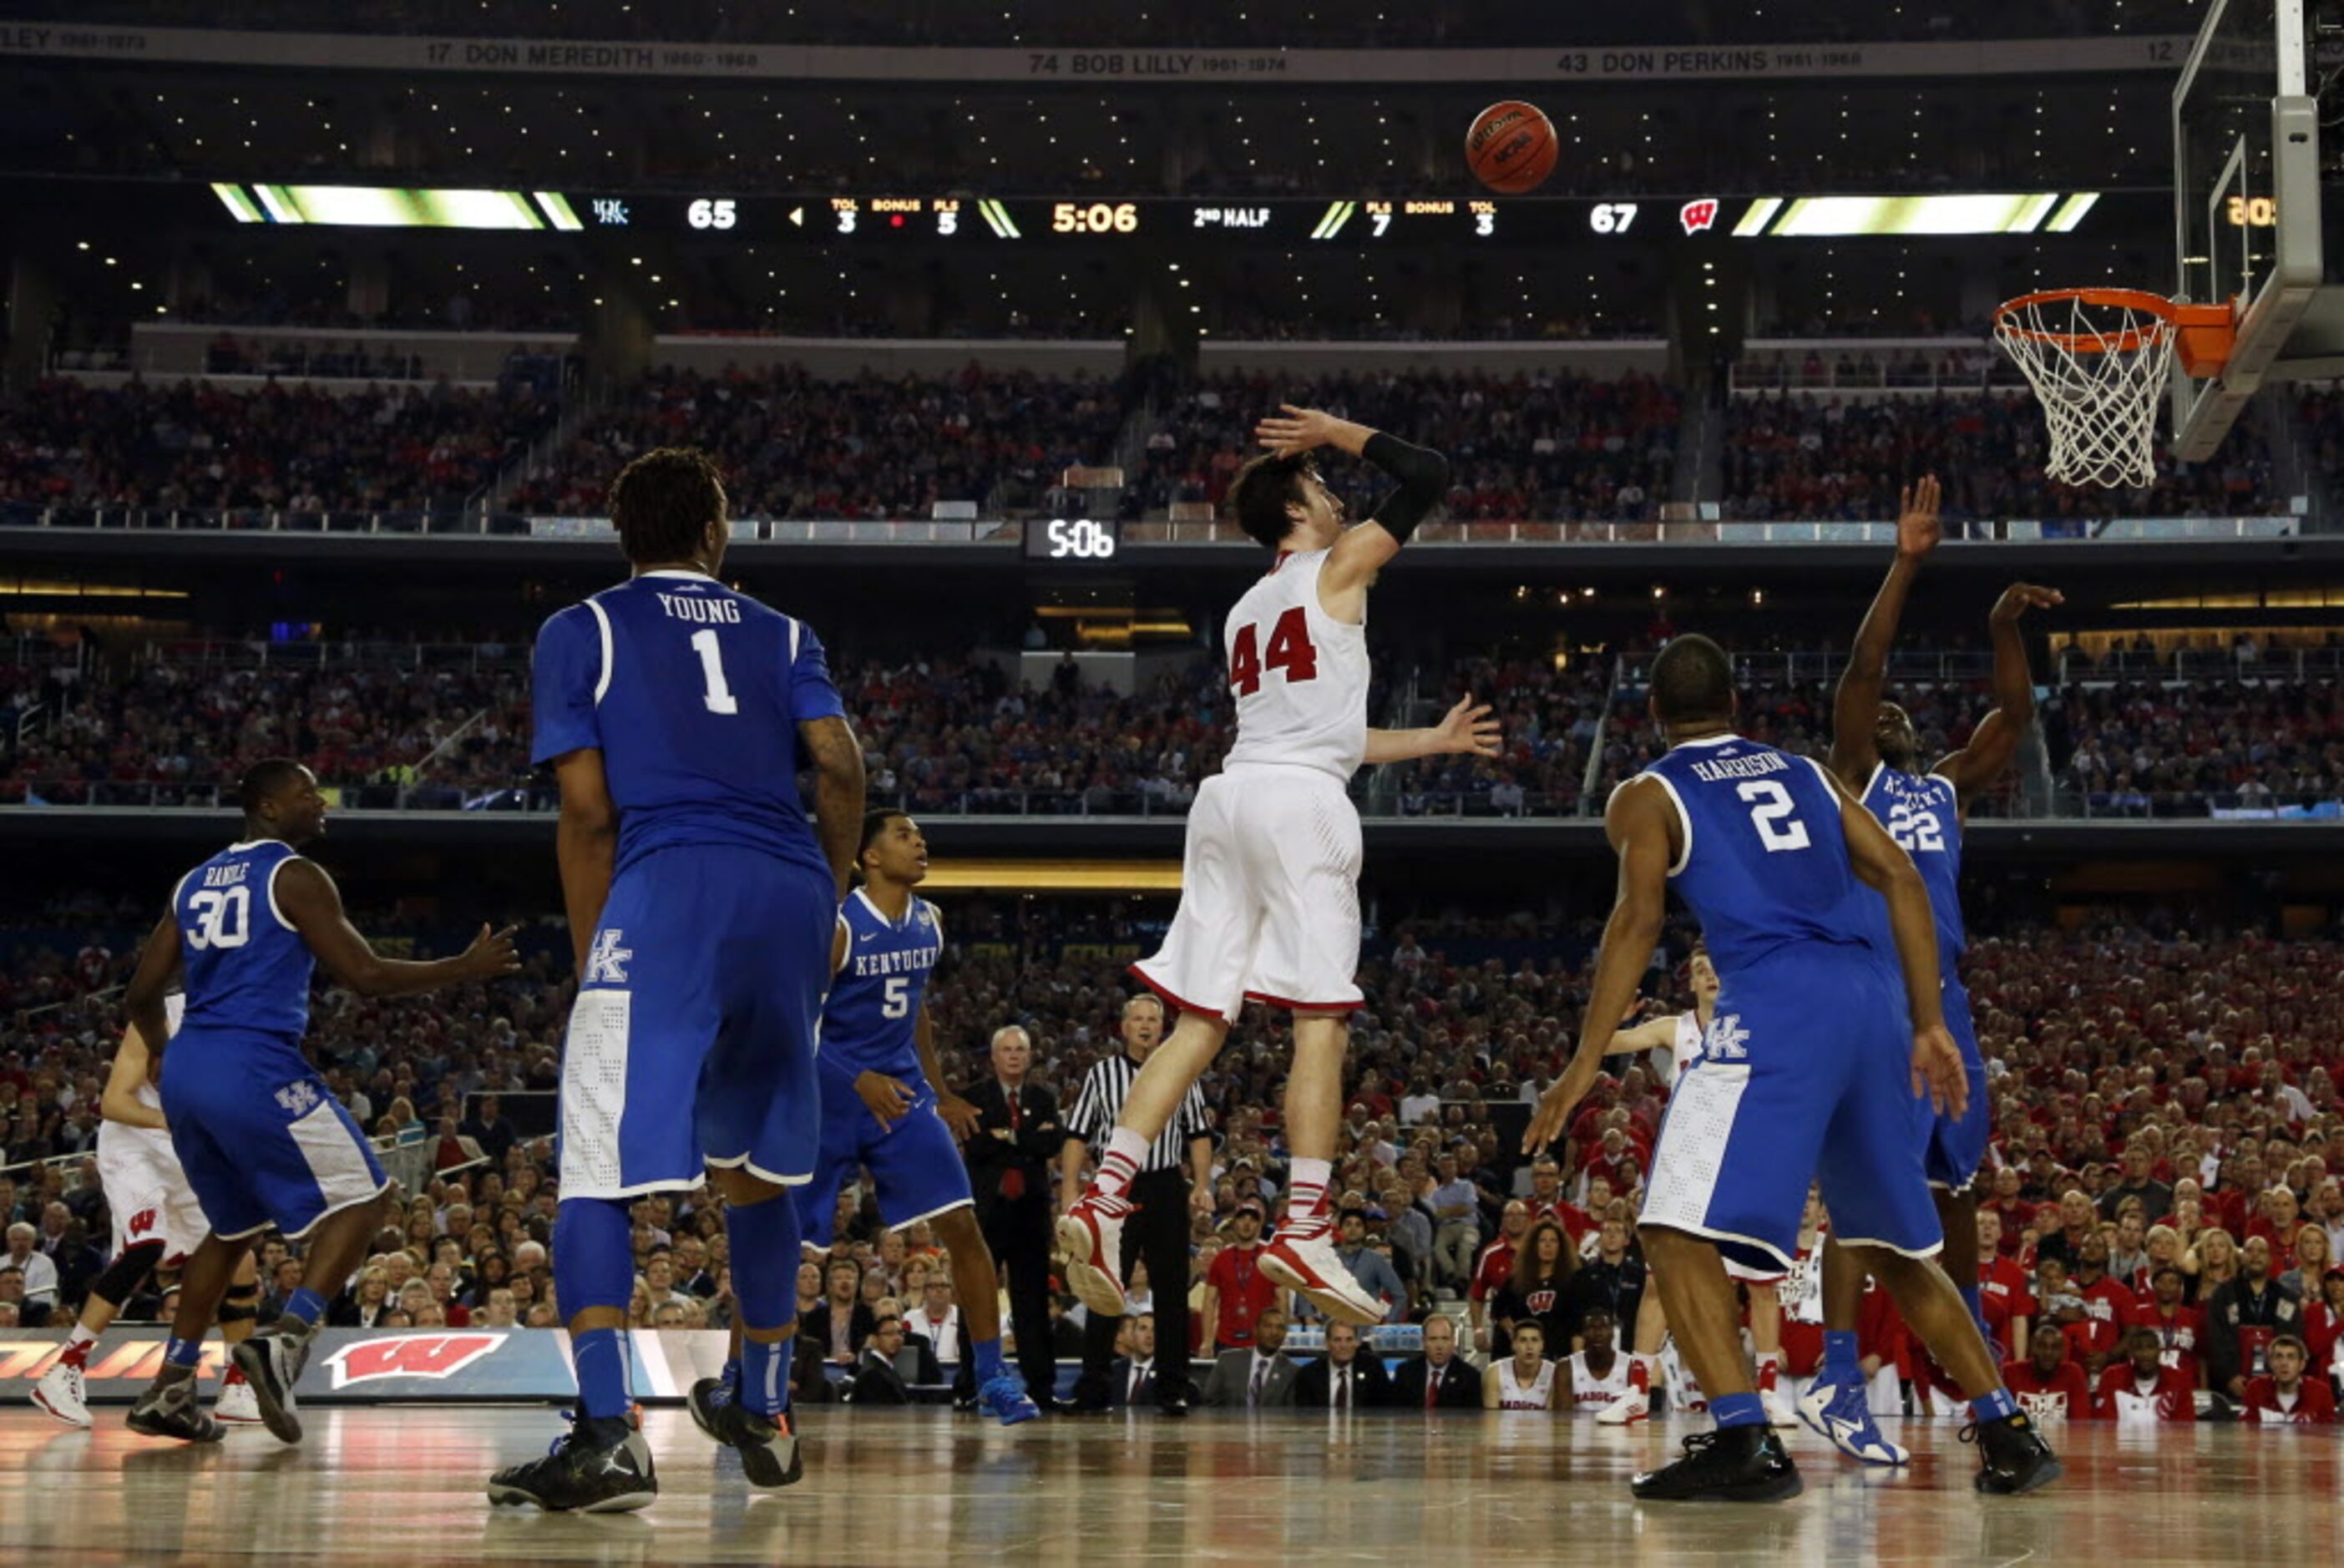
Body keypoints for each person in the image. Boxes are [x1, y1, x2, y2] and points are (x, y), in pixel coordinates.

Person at [1522, 633, 2058, 1502]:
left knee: (1666, 1222)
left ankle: (1743, 1441)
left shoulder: (1647, 793)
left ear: (1653, 715)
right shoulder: (1806, 772)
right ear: (1736, 704)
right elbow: (1902, 881)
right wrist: (1928, 1023)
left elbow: (1635, 921)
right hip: (1873, 1004)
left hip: (1775, 1006)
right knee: (1889, 1244)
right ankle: (2006, 1431)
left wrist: (1583, 1060)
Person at [1061, 405, 1495, 1331]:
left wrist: (1431, 739)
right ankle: (1303, 1224)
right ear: (1299, 507)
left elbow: (1321, 734)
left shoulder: (1244, 613)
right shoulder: (1335, 566)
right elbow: (1427, 470)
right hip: (1298, 810)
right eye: (1326, 491)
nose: (1339, 500)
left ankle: (1101, 1201)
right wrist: (1336, 432)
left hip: (1229, 800)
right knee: (1318, 1021)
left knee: (1200, 1021)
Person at [494, 447, 865, 1509]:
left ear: (625, 538)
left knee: (594, 1169)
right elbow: (838, 765)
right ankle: (763, 1403)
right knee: (755, 1168)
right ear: (716, 530)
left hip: (669, 888)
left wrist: (592, 956)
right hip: (788, 886)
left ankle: (608, 1434)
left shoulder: (583, 629)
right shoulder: (785, 631)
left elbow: (588, 812)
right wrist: (826, 902)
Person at [117, 759, 519, 1447]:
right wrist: (460, 969)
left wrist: (160, 1051)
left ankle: (170, 1388)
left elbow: (138, 995)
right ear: (268, 809)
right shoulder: (294, 876)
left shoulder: (191, 883)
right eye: (306, 792)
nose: (321, 799)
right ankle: (288, 1340)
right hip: (254, 1062)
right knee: (369, 1196)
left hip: (189, 1069)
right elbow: (363, 974)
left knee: (232, 1227)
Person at [1809, 476, 2060, 1467]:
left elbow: (2013, 713)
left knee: (1954, 1196)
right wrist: (1906, 564)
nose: (1897, 713)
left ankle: (1975, 1384)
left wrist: (2003, 625)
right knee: (1863, 1190)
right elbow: (1865, 666)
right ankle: (1834, 1370)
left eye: (1912, 715)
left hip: (1944, 996)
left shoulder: (1945, 785)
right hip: (1869, 986)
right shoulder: (1852, 776)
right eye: (1887, 714)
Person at [699, 810, 1035, 1429]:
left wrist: (940, 1090)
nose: (920, 843)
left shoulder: (929, 923)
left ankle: (991, 1376)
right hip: (823, 1099)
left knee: (962, 1226)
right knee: (775, 1244)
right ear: (869, 858)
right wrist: (855, 1077)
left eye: (921, 836)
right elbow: (791, 1017)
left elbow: (916, 1011)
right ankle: (737, 1374)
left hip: (900, 1099)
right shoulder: (836, 925)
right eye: (904, 836)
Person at [33, 1001, 264, 1429]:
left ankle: (236, 1387)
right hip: (135, 1142)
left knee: (238, 1255)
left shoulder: (242, 1028)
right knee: (146, 1246)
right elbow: (114, 1102)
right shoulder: (159, 1018)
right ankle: (64, 1370)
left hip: (186, 1153)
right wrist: (173, 1120)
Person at [1597, 943, 1795, 1428]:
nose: (1710, 975)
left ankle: (1768, 1392)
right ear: (1689, 982)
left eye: (1717, 968)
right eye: (1701, 970)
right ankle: (1637, 1393)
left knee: (1761, 1282)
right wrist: (1612, 1017)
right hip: (1687, 1167)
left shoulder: (1757, 1023)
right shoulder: (1675, 1028)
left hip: (1744, 1161)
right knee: (1657, 1283)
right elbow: (1606, 1046)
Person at [1063, 994, 1215, 1415]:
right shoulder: (1102, 1075)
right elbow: (1077, 1134)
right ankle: (1093, 1388)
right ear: (1124, 1026)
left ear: (1162, 1027)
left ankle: (1173, 1388)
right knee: (1104, 1287)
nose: (1146, 1025)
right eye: (1139, 1019)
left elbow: (1198, 1132)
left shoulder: (1183, 1071)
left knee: (1170, 1292)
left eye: (1153, 1019)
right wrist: (1070, 1189)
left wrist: (1202, 1183)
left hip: (1165, 1183)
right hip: (1117, 1188)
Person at [961, 1024, 1066, 1404]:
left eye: (1020, 1050)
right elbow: (977, 1145)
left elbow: (1051, 1142)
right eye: (1006, 1050)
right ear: (993, 1057)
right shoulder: (974, 1097)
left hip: (1030, 1213)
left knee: (1033, 1302)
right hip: (987, 1212)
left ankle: (1041, 1388)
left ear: (1030, 1055)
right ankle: (970, 1387)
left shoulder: (1043, 1097)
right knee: (976, 1297)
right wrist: (1024, 1140)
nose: (1014, 1056)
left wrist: (1007, 1136)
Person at [2205, 1234, 2306, 1404]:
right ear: (2242, 1257)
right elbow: (2215, 1339)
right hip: (2232, 1387)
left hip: (2276, 1387)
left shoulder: (2286, 1297)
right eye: (2250, 1250)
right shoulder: (2224, 1294)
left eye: (2261, 1251)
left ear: (2270, 1259)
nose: (2255, 1255)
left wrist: (2281, 1376)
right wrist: (2229, 1377)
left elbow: (2293, 1339)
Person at [1201, 1202, 1284, 1354]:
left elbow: (1282, 1300)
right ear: (1234, 1224)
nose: (1247, 1223)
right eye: (1242, 1219)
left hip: (1262, 1341)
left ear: (1259, 1225)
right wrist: (1207, 1341)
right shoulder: (1221, 1259)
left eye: (1252, 1220)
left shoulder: (1271, 1258)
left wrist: (1279, 1339)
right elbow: (1209, 1302)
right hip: (1225, 1340)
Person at [1202, 1305, 1298, 1409]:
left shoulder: (1292, 1372)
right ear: (1255, 1330)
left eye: (1280, 1328)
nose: (1274, 1332)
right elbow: (1210, 1402)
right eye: (1267, 1326)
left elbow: (1291, 1412)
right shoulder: (1228, 1361)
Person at [2093, 1325, 2194, 1424]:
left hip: (2166, 1440)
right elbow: (2105, 1425)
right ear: (2131, 1353)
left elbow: (2185, 1427)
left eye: (2150, 1347)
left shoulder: (2178, 1379)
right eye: (2139, 1348)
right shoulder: (2112, 1377)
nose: (2145, 1354)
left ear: (2159, 1352)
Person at [2002, 1323, 2092, 1423]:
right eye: (2042, 1346)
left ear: (2063, 1351)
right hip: (2021, 1437)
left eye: (2055, 1347)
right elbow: (2003, 1421)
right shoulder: (2011, 1372)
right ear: (2032, 1348)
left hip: (2063, 1438)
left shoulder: (2073, 1373)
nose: (2048, 1353)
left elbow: (2081, 1423)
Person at [1294, 1318, 1391, 1410]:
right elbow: (1304, 1415)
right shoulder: (1309, 1374)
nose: (1343, 1346)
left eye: (1349, 1340)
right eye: (1337, 1340)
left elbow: (1385, 1408)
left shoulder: (1373, 1369)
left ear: (1357, 1342)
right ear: (1327, 1343)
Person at [2240, 1333, 2337, 1423]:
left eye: (2291, 1357)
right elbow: (2246, 1432)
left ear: (2302, 1364)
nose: (2284, 1363)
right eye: (2279, 1356)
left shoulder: (2320, 1393)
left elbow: (2327, 1436)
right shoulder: (2255, 1389)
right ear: (2270, 1363)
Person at [1391, 1313, 1480, 1409]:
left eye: (1445, 1339)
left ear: (1454, 1342)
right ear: (1424, 1341)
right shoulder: (1405, 1373)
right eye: (1433, 1339)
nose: (1439, 1346)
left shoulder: (1470, 1377)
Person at [1562, 1308, 1634, 1416]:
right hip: (1579, 1431)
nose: (1598, 1333)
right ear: (1583, 1334)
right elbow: (1562, 1418)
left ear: (1613, 1332)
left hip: (1618, 1431)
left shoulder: (1630, 1365)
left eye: (1604, 1327)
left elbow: (1636, 1413)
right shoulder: (1566, 1367)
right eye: (1591, 1328)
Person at [1484, 1318, 1562, 1413]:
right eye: (1523, 1340)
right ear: (1513, 1344)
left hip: (1542, 1427)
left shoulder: (1555, 1374)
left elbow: (1553, 1421)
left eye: (1535, 1340)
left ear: (1542, 1345)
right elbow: (1491, 1421)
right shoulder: (1495, 1372)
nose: (1529, 1347)